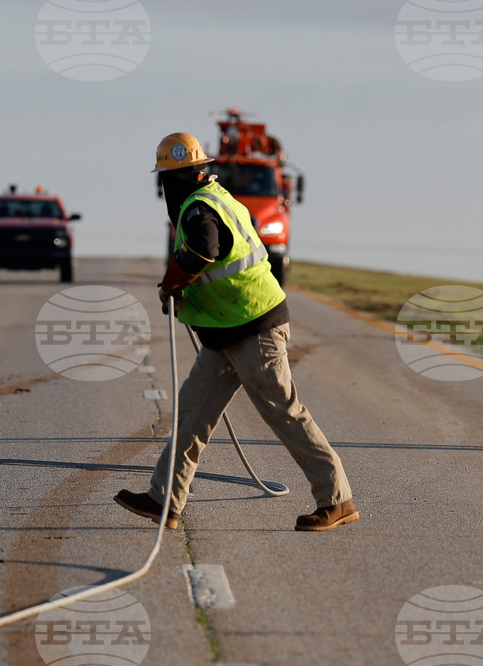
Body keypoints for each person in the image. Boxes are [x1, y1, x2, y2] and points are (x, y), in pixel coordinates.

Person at [114, 132, 359, 532]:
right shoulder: (217, 197)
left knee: (284, 412)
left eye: (171, 176)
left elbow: (201, 250)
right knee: (192, 416)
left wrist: (173, 283)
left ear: (175, 179)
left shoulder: (198, 210)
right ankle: (164, 501)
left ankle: (337, 500)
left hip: (254, 327)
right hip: (224, 332)